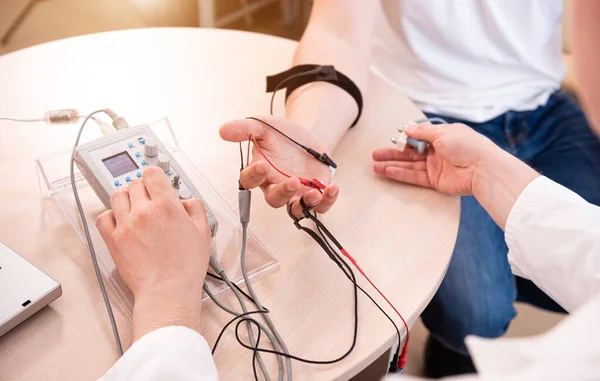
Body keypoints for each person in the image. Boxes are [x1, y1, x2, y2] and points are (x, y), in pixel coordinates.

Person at [97, 1, 600, 379]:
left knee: (494, 300)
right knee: (481, 313)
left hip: (544, 107)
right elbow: (338, 32)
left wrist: (166, 301)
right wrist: (311, 135)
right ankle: (457, 345)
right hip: (422, 113)